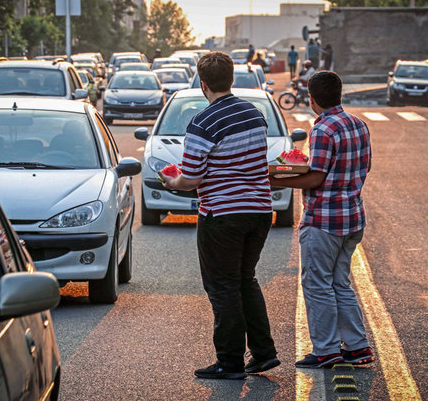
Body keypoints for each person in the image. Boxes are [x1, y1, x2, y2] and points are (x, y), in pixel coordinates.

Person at [159, 51, 279, 380]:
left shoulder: (202, 123)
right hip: (259, 210)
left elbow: (192, 178)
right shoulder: (255, 114)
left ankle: (229, 362)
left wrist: (172, 181)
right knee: (245, 280)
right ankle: (264, 352)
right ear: (231, 79)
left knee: (222, 286)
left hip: (223, 214)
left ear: (203, 84)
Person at [269, 71, 374, 368]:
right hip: (352, 217)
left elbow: (315, 177)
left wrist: (275, 179)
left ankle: (326, 350)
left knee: (317, 284)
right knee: (341, 282)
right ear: (339, 94)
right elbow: (364, 166)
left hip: (324, 220)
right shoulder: (359, 125)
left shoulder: (324, 129)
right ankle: (357, 346)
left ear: (312, 98)